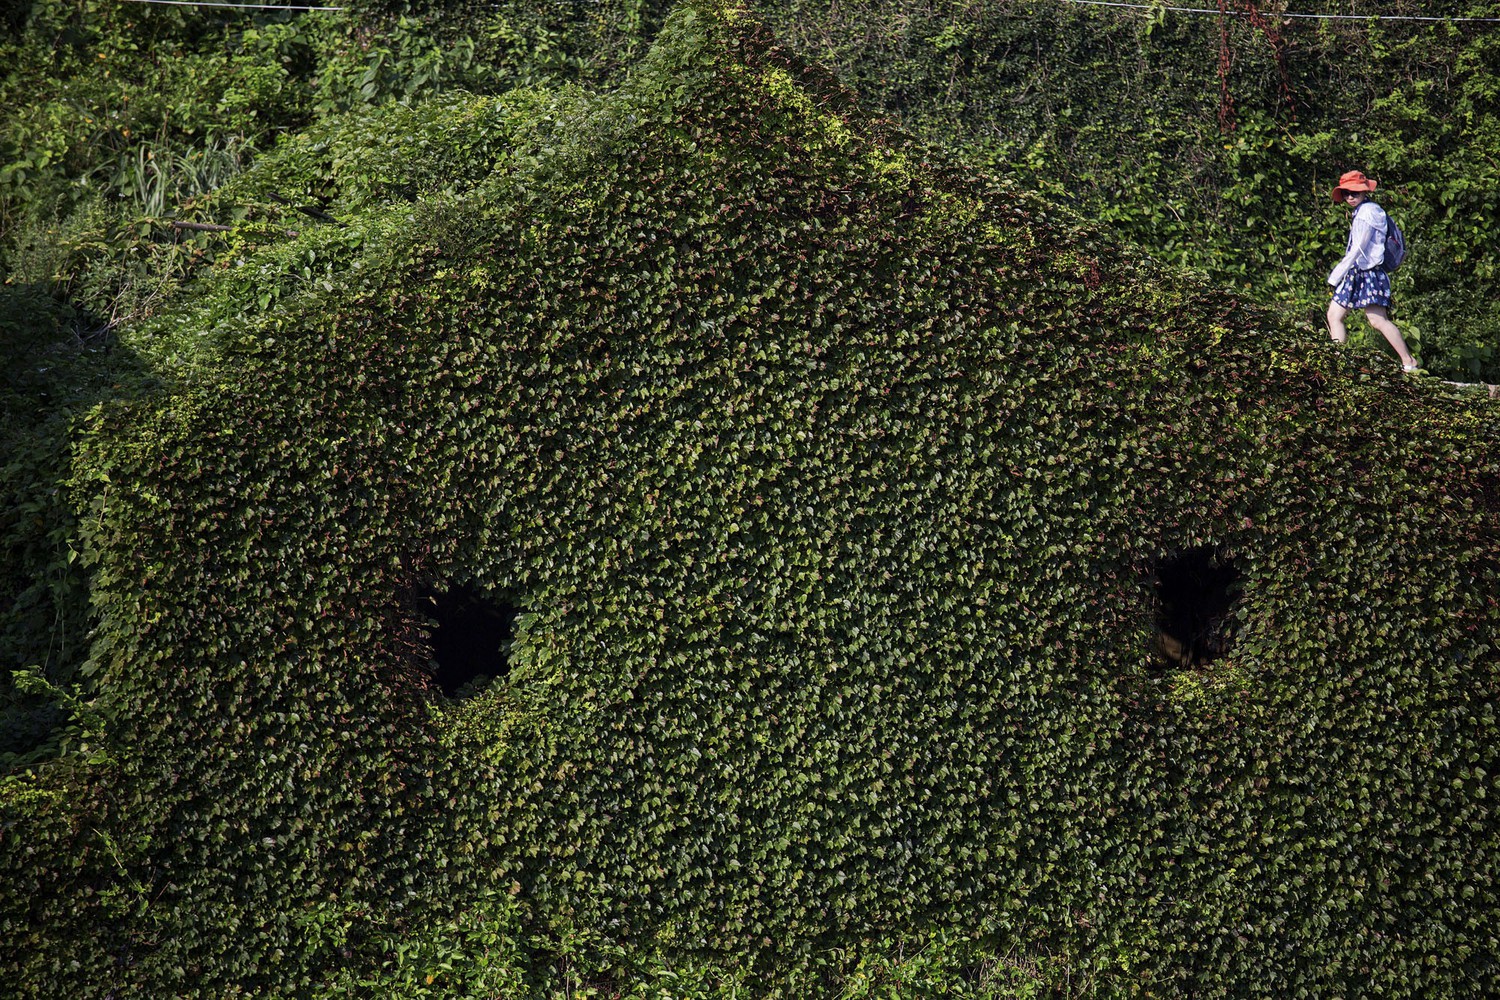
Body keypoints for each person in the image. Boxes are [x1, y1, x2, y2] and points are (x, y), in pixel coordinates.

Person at [1326, 169, 1418, 372]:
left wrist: (1335, 277)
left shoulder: (1368, 213)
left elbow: (1358, 248)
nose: (1350, 197)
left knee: (1377, 320)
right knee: (1334, 315)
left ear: (1364, 193)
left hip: (1369, 273)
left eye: (1355, 193)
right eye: (1346, 193)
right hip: (1356, 273)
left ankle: (1408, 361)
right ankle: (1337, 362)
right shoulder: (1362, 211)